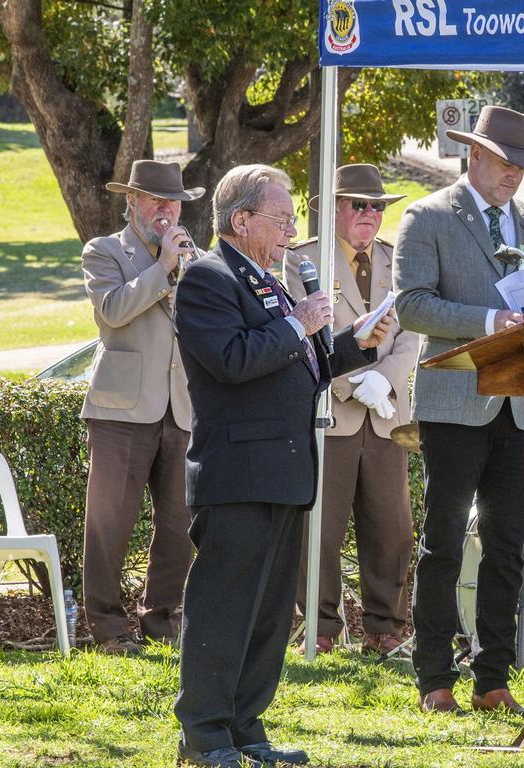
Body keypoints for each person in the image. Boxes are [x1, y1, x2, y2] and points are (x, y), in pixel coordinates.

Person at [172, 164, 391, 768]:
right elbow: (233, 361)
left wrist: (356, 344)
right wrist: (301, 322)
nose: (293, 229)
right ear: (241, 221)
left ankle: (246, 727)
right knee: (225, 605)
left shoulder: (271, 280)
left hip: (286, 469)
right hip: (238, 472)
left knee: (269, 612)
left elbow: (306, 366)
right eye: (283, 218)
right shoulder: (209, 279)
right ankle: (204, 733)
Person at [394, 105, 524, 716]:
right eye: (506, 162)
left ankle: (493, 678)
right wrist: (490, 322)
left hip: (521, 405)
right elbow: (411, 306)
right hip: (455, 403)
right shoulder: (428, 217)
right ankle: (434, 678)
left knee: (508, 544)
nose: (515, 174)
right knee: (442, 543)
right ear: (474, 155)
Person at [287, 164, 418, 656]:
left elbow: (412, 330)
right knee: (320, 527)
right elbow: (302, 332)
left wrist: (382, 379)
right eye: (358, 204)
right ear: (333, 209)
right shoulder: (303, 262)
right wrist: (349, 383)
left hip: (386, 413)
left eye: (378, 206)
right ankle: (320, 627)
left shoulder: (397, 261)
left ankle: (385, 629)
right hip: (330, 411)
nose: (370, 214)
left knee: (392, 527)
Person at [80, 159, 202, 655]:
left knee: (179, 523)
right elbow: (112, 312)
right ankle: (108, 628)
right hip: (120, 410)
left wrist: (186, 269)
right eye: (155, 200)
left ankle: (161, 618)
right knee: (110, 522)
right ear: (132, 202)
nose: (166, 210)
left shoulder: (194, 255)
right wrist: (162, 269)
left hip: (183, 408)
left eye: (172, 202)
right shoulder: (105, 251)